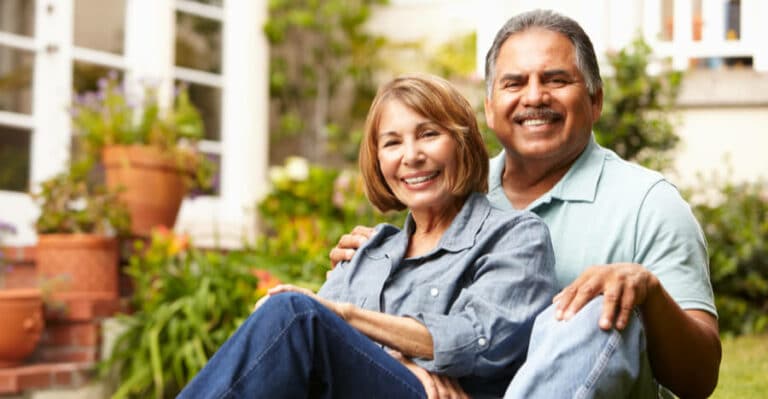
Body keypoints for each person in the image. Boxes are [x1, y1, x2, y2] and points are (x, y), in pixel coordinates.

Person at [330, 9, 721, 399]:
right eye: (514, 83)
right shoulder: (450, 191)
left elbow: (699, 380)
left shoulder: (648, 204)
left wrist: (649, 295)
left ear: (595, 99)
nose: (534, 97)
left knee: (590, 309)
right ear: (489, 106)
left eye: (556, 80)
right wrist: (372, 272)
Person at [177, 74, 557, 399]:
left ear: (462, 143)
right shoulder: (368, 251)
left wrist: (348, 316)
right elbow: (299, 345)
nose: (411, 156)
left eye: (428, 134)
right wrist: (403, 362)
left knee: (295, 313)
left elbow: (474, 341)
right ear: (377, 160)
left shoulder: (516, 237)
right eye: (392, 143)